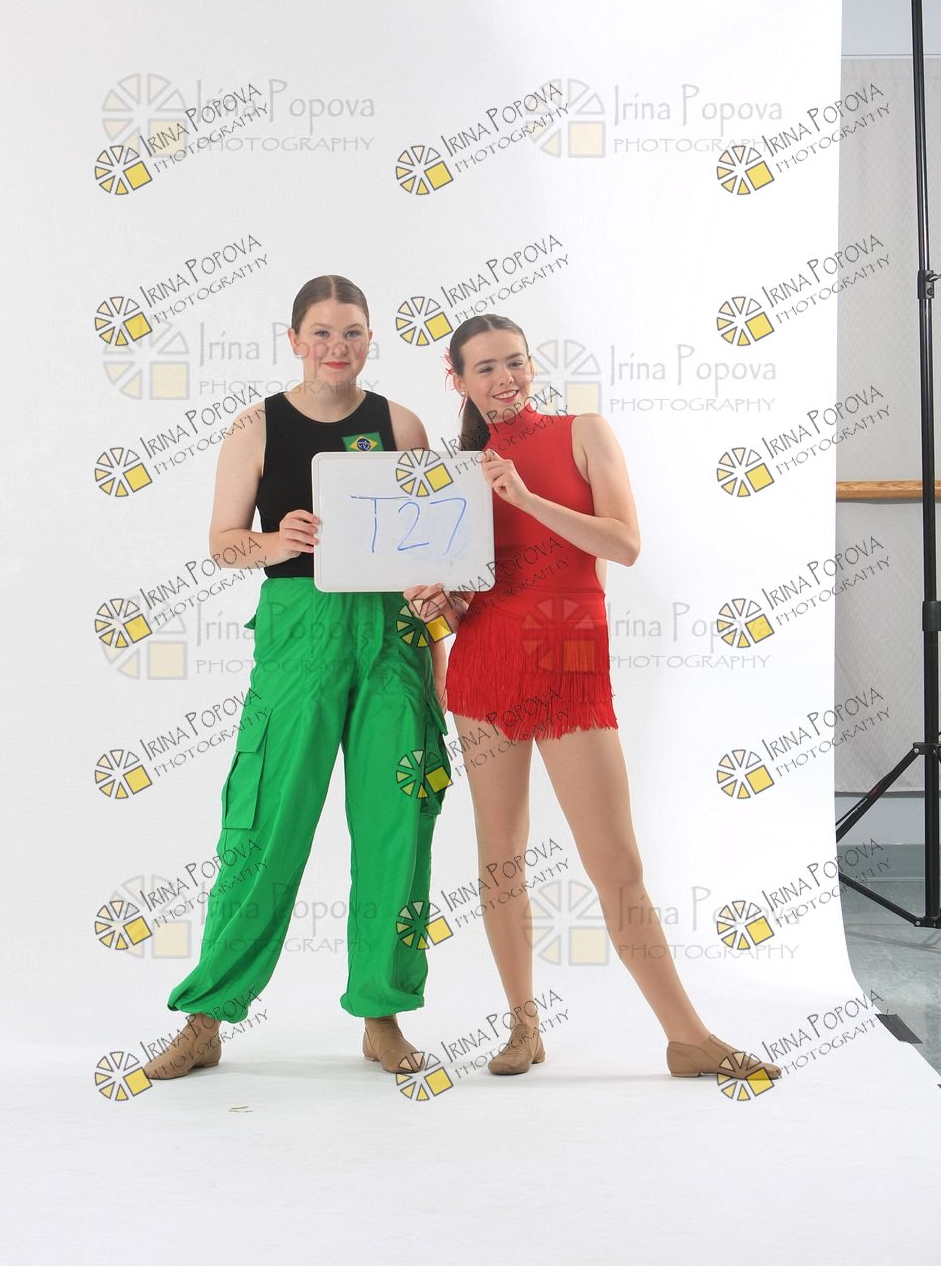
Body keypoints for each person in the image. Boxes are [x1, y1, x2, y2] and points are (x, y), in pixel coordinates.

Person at [404, 313, 782, 1082]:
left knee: (617, 863)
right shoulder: (457, 471)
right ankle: (523, 1029)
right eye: (486, 368)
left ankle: (686, 1037)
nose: (505, 379)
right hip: (486, 666)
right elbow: (472, 593)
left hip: (570, 662)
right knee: (500, 859)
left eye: (515, 362)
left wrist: (524, 496)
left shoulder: (583, 433)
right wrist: (439, 605)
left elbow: (624, 543)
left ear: (531, 366)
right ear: (458, 380)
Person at [144, 276, 450, 1080]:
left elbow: (428, 548)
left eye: (351, 332)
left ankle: (382, 1015)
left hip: (392, 636)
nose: (336, 347)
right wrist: (276, 540)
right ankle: (207, 1016)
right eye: (321, 332)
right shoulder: (257, 427)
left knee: (396, 826)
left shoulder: (401, 424)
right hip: (298, 632)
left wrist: (437, 660)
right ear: (294, 340)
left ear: (371, 339)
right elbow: (222, 542)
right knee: (264, 826)